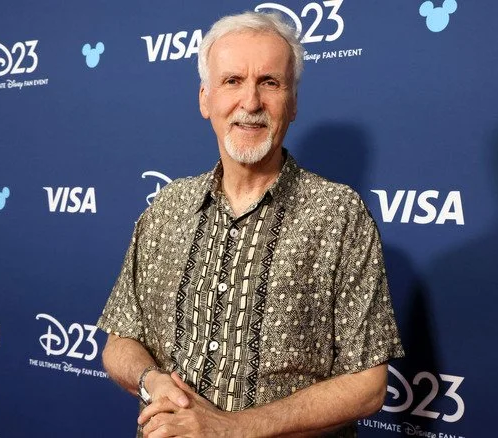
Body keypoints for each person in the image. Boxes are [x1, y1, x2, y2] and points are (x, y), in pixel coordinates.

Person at [96, 11, 404, 437]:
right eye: (232, 81)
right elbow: (118, 342)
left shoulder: (339, 214)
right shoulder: (166, 208)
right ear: (205, 99)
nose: (251, 103)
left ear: (292, 103)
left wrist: (231, 428)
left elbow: (368, 386)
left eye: (270, 83)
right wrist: (153, 381)